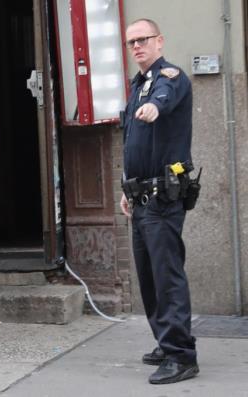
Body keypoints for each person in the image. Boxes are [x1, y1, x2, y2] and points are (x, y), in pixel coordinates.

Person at [120, 19, 199, 384]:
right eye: (131, 42)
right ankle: (167, 344)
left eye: (143, 40)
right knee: (149, 277)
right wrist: (126, 190)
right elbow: (134, 146)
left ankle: (182, 356)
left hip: (163, 199)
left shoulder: (170, 78)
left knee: (167, 277)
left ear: (159, 41)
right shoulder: (136, 86)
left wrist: (155, 108)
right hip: (141, 198)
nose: (137, 46)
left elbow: (162, 99)